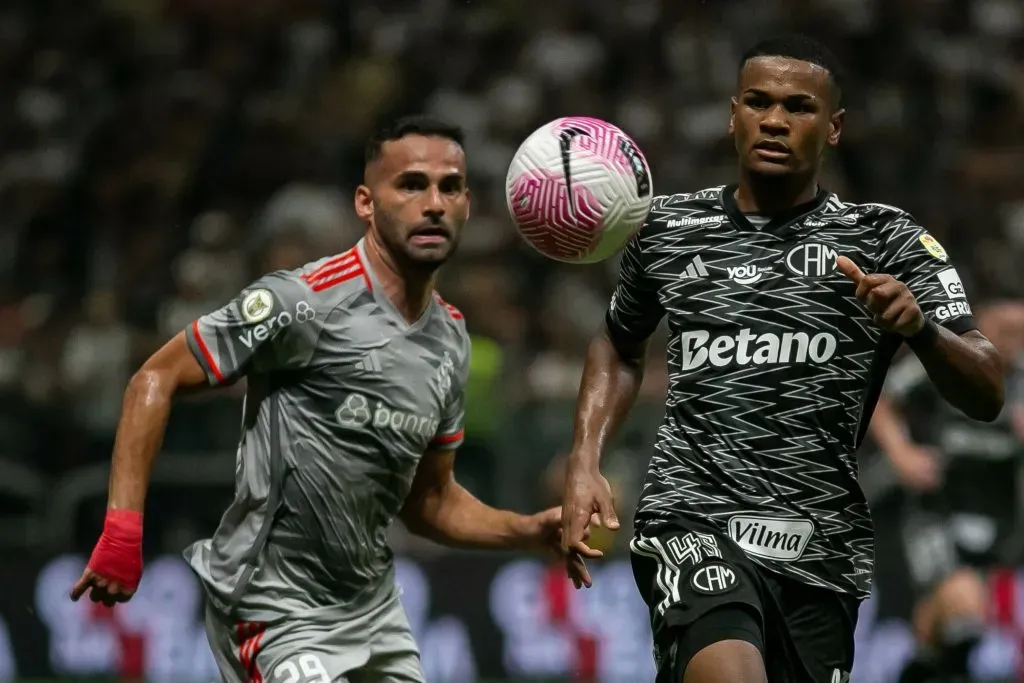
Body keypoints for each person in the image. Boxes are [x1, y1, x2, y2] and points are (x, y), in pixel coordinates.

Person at [69, 115, 596, 683]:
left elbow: (431, 501)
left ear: (467, 204)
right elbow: (155, 378)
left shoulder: (450, 340)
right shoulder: (303, 301)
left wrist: (526, 530)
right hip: (272, 603)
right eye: (411, 185)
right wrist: (122, 529)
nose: (434, 204)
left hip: (374, 613)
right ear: (366, 203)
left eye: (450, 187)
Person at [560, 35, 1006, 683]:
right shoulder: (666, 231)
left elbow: (987, 388)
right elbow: (617, 344)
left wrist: (921, 330)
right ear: (731, 114)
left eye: (798, 107)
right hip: (692, 515)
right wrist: (584, 460)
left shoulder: (886, 238)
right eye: (758, 102)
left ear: (834, 128)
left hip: (820, 544)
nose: (774, 120)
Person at [868, 300, 1024, 683]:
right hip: (936, 509)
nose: (1012, 341)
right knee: (964, 605)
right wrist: (902, 453)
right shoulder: (945, 364)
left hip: (994, 519)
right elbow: (879, 398)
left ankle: (920, 666)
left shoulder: (1020, 384)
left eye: (1021, 334)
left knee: (940, 620)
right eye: (1005, 330)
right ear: (980, 326)